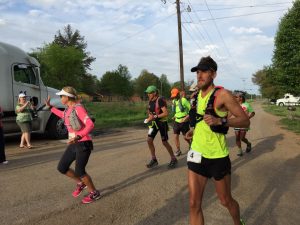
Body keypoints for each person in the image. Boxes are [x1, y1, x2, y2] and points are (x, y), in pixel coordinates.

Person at [185, 56, 249, 225]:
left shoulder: (223, 95)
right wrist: (192, 131)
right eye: (197, 72)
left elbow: (244, 120)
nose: (199, 75)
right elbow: (201, 121)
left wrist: (221, 121)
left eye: (204, 71)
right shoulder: (196, 96)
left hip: (217, 156)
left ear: (213, 74)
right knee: (193, 204)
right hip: (197, 153)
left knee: (225, 200)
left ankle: (238, 222)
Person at [45, 86, 100, 204]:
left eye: (61, 96)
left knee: (80, 171)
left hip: (83, 143)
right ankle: (80, 183)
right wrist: (50, 107)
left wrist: (79, 136)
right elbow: (63, 116)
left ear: (68, 97)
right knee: (62, 167)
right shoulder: (68, 109)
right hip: (74, 144)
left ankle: (94, 193)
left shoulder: (78, 108)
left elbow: (90, 124)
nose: (60, 98)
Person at [144, 85, 178, 169]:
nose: (148, 94)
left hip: (162, 123)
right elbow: (150, 112)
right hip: (154, 124)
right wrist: (149, 118)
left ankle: (173, 159)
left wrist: (155, 117)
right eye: (147, 93)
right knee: (149, 140)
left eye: (149, 93)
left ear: (154, 93)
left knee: (164, 142)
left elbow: (166, 113)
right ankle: (154, 159)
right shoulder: (150, 101)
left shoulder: (160, 100)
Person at [170, 88, 191, 156]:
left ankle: (191, 145)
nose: (174, 97)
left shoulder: (184, 100)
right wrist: (175, 116)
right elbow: (176, 111)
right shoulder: (174, 101)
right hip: (176, 121)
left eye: (175, 95)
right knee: (175, 136)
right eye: (173, 96)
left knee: (186, 137)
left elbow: (191, 110)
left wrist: (186, 117)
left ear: (178, 94)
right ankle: (178, 150)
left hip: (184, 121)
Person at [234, 92, 255, 156]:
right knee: (237, 137)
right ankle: (240, 151)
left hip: (244, 123)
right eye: (236, 97)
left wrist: (248, 117)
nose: (237, 98)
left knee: (242, 138)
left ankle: (248, 144)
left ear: (242, 97)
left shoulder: (247, 104)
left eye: (239, 97)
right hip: (237, 123)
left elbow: (253, 113)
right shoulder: (234, 105)